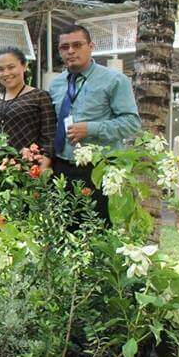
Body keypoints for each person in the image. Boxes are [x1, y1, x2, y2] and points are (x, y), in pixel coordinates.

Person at [49, 24, 141, 220]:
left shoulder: (114, 80)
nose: (71, 51)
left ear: (91, 46)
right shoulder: (56, 84)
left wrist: (91, 128)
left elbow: (132, 122)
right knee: (62, 230)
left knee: (97, 231)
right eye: (64, 47)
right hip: (62, 168)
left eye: (77, 45)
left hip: (98, 169)